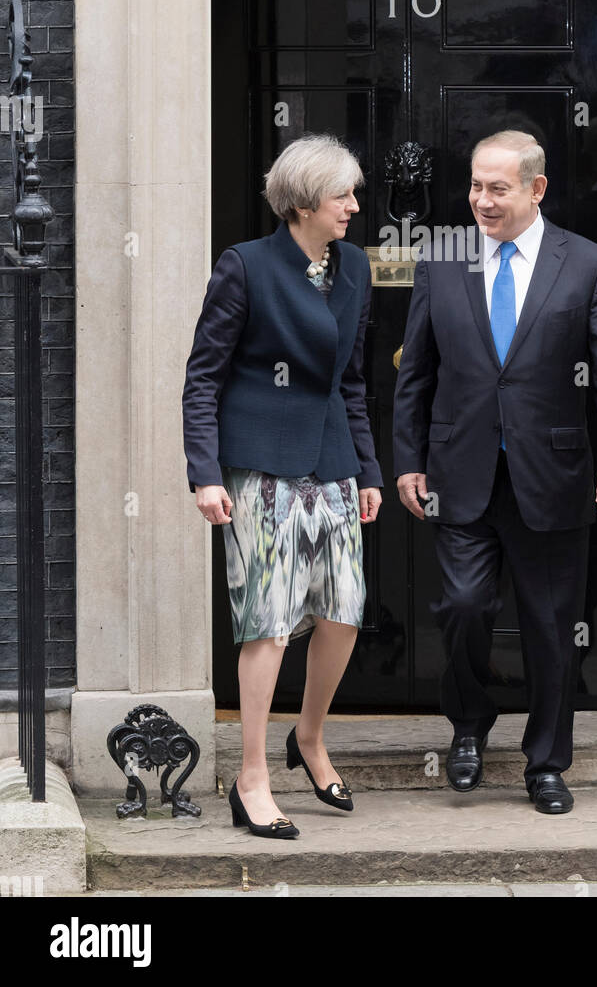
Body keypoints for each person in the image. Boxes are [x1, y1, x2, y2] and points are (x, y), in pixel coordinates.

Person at [393, 130, 597, 814]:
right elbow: (415, 374)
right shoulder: (441, 261)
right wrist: (407, 462)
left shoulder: (587, 263)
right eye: (475, 185)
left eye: (496, 188)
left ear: (536, 189)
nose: (481, 200)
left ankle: (546, 765)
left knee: (550, 626)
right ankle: (469, 725)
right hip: (460, 470)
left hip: (555, 476)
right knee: (465, 607)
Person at [182, 134, 382, 838]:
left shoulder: (353, 267)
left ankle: (311, 737)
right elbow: (203, 377)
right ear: (301, 204)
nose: (355, 207)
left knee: (344, 612)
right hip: (259, 467)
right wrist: (205, 474)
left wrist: (368, 469)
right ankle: (252, 776)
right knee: (267, 622)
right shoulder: (245, 268)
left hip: (331, 462)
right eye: (342, 196)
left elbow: (351, 382)